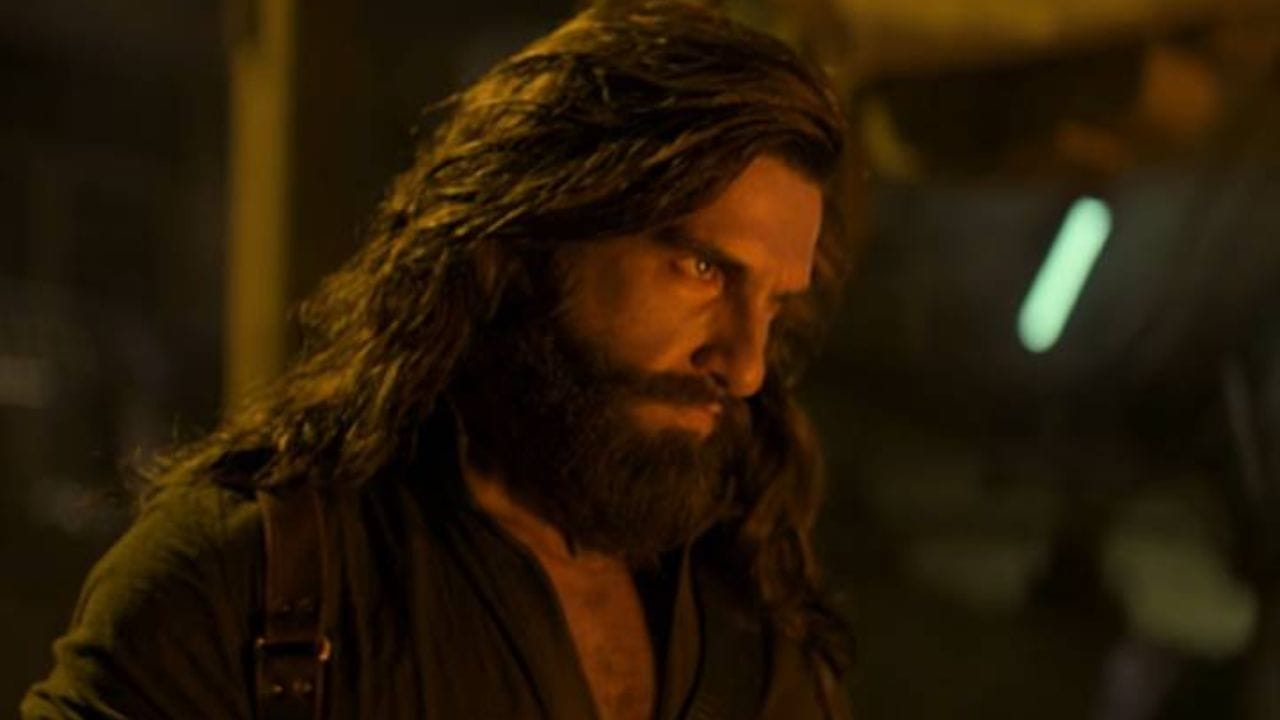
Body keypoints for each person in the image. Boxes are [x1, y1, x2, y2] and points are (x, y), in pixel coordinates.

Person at [23, 1, 855, 717]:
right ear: (535, 237)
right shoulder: (253, 587)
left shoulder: (750, 604)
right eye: (703, 268)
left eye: (774, 303)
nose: (746, 366)